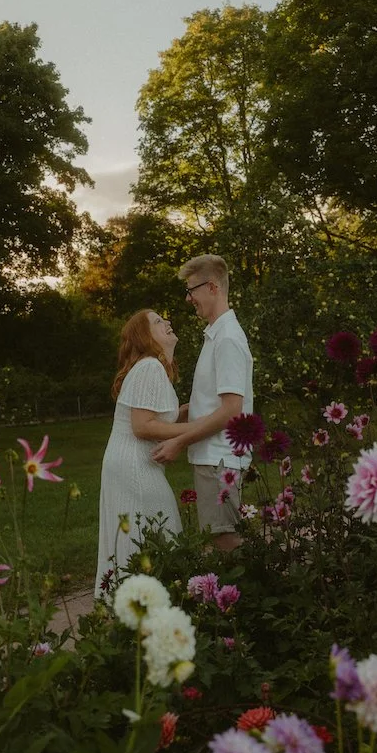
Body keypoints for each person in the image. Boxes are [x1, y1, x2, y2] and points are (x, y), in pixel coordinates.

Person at [152, 255, 253, 552]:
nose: (188, 298)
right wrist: (180, 413)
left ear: (211, 287)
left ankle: (248, 597)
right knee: (219, 539)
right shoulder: (217, 336)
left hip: (220, 458)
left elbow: (232, 410)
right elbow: (215, 403)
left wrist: (179, 442)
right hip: (214, 457)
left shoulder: (228, 339)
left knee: (226, 542)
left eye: (191, 290)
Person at [95, 308, 191, 597]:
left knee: (142, 531)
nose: (168, 322)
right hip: (133, 465)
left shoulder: (151, 368)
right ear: (145, 336)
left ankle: (131, 605)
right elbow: (142, 425)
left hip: (127, 463)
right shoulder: (150, 367)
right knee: (156, 528)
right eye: (158, 322)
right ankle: (144, 603)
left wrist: (195, 412)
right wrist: (196, 428)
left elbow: (160, 419)